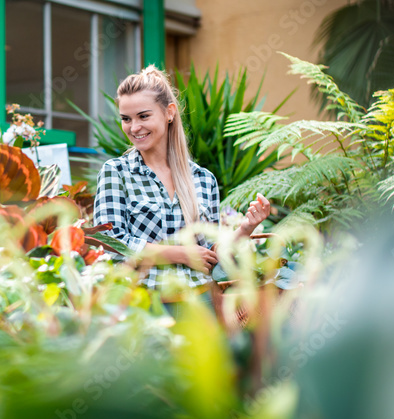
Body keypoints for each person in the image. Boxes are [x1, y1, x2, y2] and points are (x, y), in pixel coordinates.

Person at [93, 65, 271, 295]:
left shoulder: (204, 180)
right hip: (144, 308)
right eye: (126, 119)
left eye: (144, 116)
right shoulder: (116, 173)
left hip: (200, 307)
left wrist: (246, 228)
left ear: (169, 112)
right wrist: (181, 254)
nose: (134, 127)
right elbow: (110, 244)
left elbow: (210, 256)